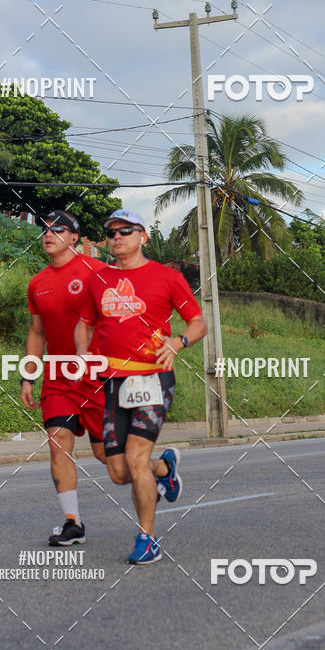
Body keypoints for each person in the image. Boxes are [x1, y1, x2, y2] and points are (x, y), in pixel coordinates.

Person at [74, 208, 207, 565]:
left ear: (143, 237)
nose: (117, 237)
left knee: (135, 459)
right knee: (119, 472)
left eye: (126, 231)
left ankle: (147, 539)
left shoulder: (166, 277)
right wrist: (83, 352)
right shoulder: (97, 279)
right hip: (111, 382)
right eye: (112, 232)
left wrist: (178, 343)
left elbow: (197, 322)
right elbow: (84, 323)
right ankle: (165, 469)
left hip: (151, 378)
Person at [21, 210, 107, 547]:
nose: (49, 234)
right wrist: (28, 376)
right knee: (59, 445)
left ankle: (159, 473)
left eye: (58, 229)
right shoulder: (37, 283)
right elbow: (36, 332)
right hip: (58, 378)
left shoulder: (98, 272)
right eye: (45, 229)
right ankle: (73, 523)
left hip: (98, 378)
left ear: (75, 238)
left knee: (109, 460)